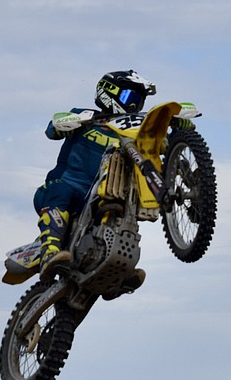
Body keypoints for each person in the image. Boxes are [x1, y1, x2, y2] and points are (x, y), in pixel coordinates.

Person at [32, 69, 157, 280]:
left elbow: (159, 143)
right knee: (60, 190)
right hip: (65, 187)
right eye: (130, 98)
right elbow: (51, 131)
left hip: (100, 194)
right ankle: (49, 253)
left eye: (140, 100)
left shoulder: (132, 132)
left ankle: (116, 270)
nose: (135, 105)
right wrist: (67, 123)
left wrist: (181, 129)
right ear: (110, 93)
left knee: (124, 210)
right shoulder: (85, 116)